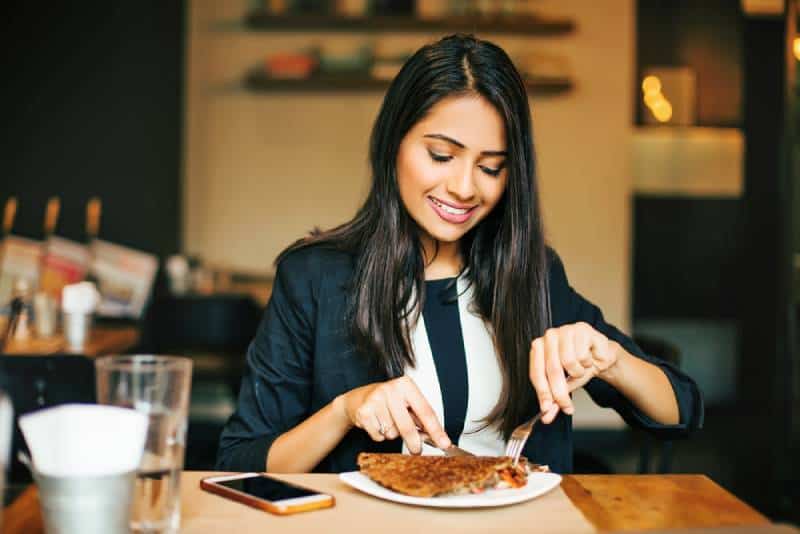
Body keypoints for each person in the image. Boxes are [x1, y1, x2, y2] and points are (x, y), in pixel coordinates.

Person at [217, 34, 703, 475]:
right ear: (394, 144)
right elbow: (242, 461)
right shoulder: (314, 278)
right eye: (442, 156)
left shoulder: (531, 275)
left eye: (491, 167)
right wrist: (345, 410)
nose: (465, 188)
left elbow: (681, 411)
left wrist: (610, 358)